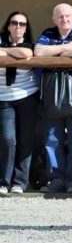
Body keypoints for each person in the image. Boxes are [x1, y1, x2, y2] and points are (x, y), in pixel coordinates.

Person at [35, 3, 72, 193]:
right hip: (51, 97)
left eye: (68, 16)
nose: (65, 19)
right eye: (60, 16)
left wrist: (57, 53)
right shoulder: (48, 33)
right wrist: (67, 48)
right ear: (54, 19)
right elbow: (38, 52)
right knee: (52, 140)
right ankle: (56, 180)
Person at [0, 12, 39, 194]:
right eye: (14, 23)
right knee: (8, 140)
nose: (18, 27)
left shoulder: (29, 44)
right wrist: (13, 52)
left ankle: (19, 183)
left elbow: (26, 53)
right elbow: (20, 54)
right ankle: (4, 182)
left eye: (22, 24)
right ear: (8, 25)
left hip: (27, 95)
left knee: (25, 140)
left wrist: (6, 51)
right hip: (4, 97)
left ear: (26, 27)